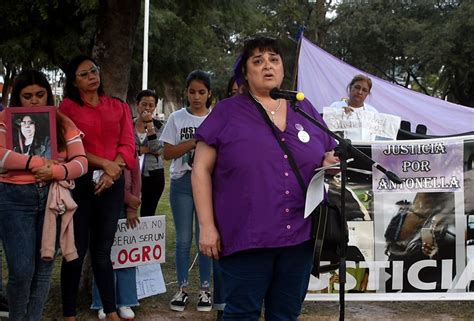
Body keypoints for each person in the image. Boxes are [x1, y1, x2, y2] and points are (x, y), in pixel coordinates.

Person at [192, 36, 338, 320]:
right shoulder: (227, 111)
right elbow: (200, 170)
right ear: (245, 73)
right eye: (257, 61)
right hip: (247, 234)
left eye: (274, 59)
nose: (267, 66)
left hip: (299, 235)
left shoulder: (303, 107)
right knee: (241, 313)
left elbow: (327, 152)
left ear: (284, 69)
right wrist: (207, 226)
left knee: (286, 314)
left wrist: (329, 163)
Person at [0, 70, 88, 321]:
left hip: (52, 198)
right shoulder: (5, 118)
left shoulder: (61, 121)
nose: (34, 100)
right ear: (18, 97)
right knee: (21, 271)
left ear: (48, 94)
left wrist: (56, 170)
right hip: (13, 198)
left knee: (44, 268)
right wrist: (37, 163)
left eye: (40, 94)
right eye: (27, 96)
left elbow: (81, 162)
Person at [59, 55, 135, 321]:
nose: (92, 75)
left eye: (94, 70)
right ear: (74, 81)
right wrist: (105, 164)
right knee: (75, 251)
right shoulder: (67, 108)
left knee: (103, 252)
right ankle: (69, 313)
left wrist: (112, 172)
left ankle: (111, 311)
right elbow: (70, 147)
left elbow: (128, 144)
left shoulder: (118, 106)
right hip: (79, 184)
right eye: (84, 73)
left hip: (111, 185)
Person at [159, 70, 213, 312]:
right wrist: (193, 142)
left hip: (208, 185)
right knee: (183, 239)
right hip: (181, 184)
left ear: (209, 93)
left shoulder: (215, 118)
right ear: (186, 93)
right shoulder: (177, 118)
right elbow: (167, 153)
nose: (197, 97)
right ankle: (181, 289)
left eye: (202, 92)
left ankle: (205, 289)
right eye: (192, 91)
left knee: (206, 238)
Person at [91, 158, 141, 320]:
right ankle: (102, 303)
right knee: (102, 253)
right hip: (102, 198)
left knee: (126, 252)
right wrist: (129, 198)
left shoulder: (128, 143)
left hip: (125, 205)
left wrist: (132, 206)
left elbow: (135, 175)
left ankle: (126, 301)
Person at [134, 89, 165, 217]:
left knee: (148, 212)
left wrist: (150, 125)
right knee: (126, 211)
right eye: (144, 104)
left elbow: (157, 148)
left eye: (151, 105)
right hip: (130, 173)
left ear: (155, 107)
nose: (147, 108)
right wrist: (148, 150)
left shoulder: (160, 126)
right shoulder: (128, 124)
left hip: (153, 174)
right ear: (137, 104)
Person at [328, 74, 377, 141]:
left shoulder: (372, 112)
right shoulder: (336, 106)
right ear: (351, 87)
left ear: (367, 94)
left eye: (364, 90)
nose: (360, 92)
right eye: (357, 87)